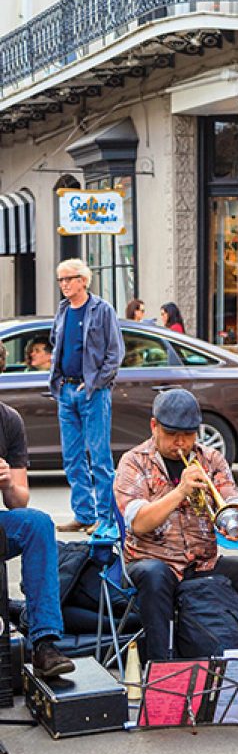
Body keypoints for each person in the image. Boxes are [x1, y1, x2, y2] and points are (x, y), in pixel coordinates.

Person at [114, 388, 238, 661]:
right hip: (153, 560)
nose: (181, 443)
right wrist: (180, 491)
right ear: (154, 426)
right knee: (155, 576)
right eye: (172, 434)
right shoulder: (133, 462)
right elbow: (137, 522)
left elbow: (229, 496)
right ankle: (162, 667)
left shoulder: (211, 459)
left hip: (202, 561)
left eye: (188, 434)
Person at [0, 347, 75, 679]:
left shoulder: (8, 420)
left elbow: (20, 500)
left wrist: (6, 483)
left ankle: (44, 643)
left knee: (37, 524)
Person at [50, 258, 124, 535]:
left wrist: (96, 382)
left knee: (100, 458)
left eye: (68, 279)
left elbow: (115, 353)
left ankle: (104, 518)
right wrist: (57, 381)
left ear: (83, 280)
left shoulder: (102, 310)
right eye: (60, 280)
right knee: (72, 457)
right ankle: (83, 514)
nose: (64, 285)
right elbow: (56, 344)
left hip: (92, 391)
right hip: (66, 390)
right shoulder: (63, 310)